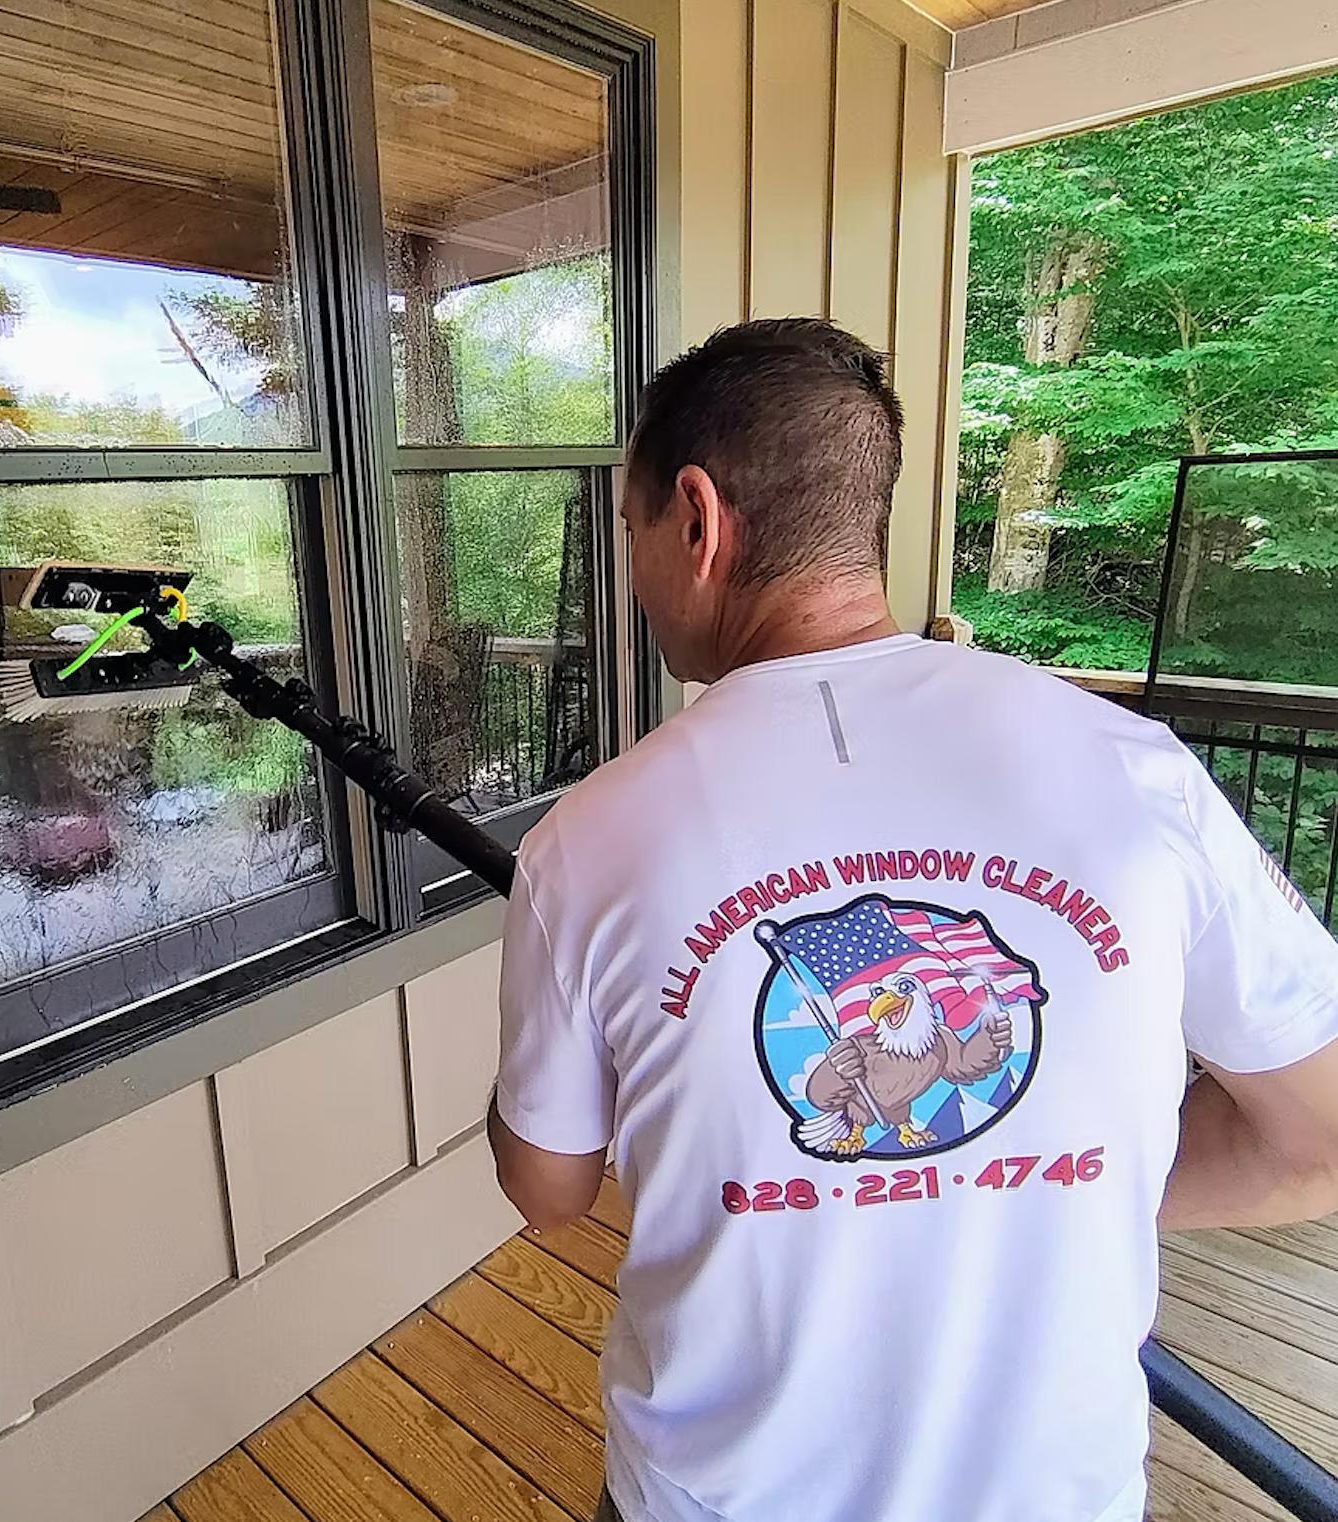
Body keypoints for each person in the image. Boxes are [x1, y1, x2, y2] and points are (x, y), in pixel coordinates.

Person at [487, 317, 1338, 1522]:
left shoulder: (589, 841)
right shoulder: (1135, 773)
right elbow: (1316, 1142)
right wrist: (1024, 1186)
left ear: (695, 518)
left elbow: (548, 1187)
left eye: (629, 531)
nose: (634, 572)